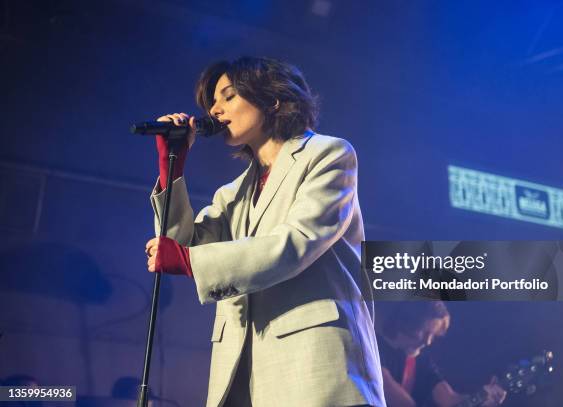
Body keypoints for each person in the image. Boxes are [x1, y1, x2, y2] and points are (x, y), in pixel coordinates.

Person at [144, 57, 385, 407]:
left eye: (228, 96)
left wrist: (189, 259)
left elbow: (297, 242)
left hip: (315, 368)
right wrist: (173, 169)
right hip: (243, 373)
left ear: (271, 98)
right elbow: (183, 245)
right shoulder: (232, 193)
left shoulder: (328, 155)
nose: (215, 109)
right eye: (212, 101)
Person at [376, 301, 506, 407]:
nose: (427, 342)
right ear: (408, 322)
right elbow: (388, 388)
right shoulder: (371, 347)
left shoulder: (422, 361)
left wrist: (481, 397)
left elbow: (449, 398)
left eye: (433, 335)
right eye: (424, 332)